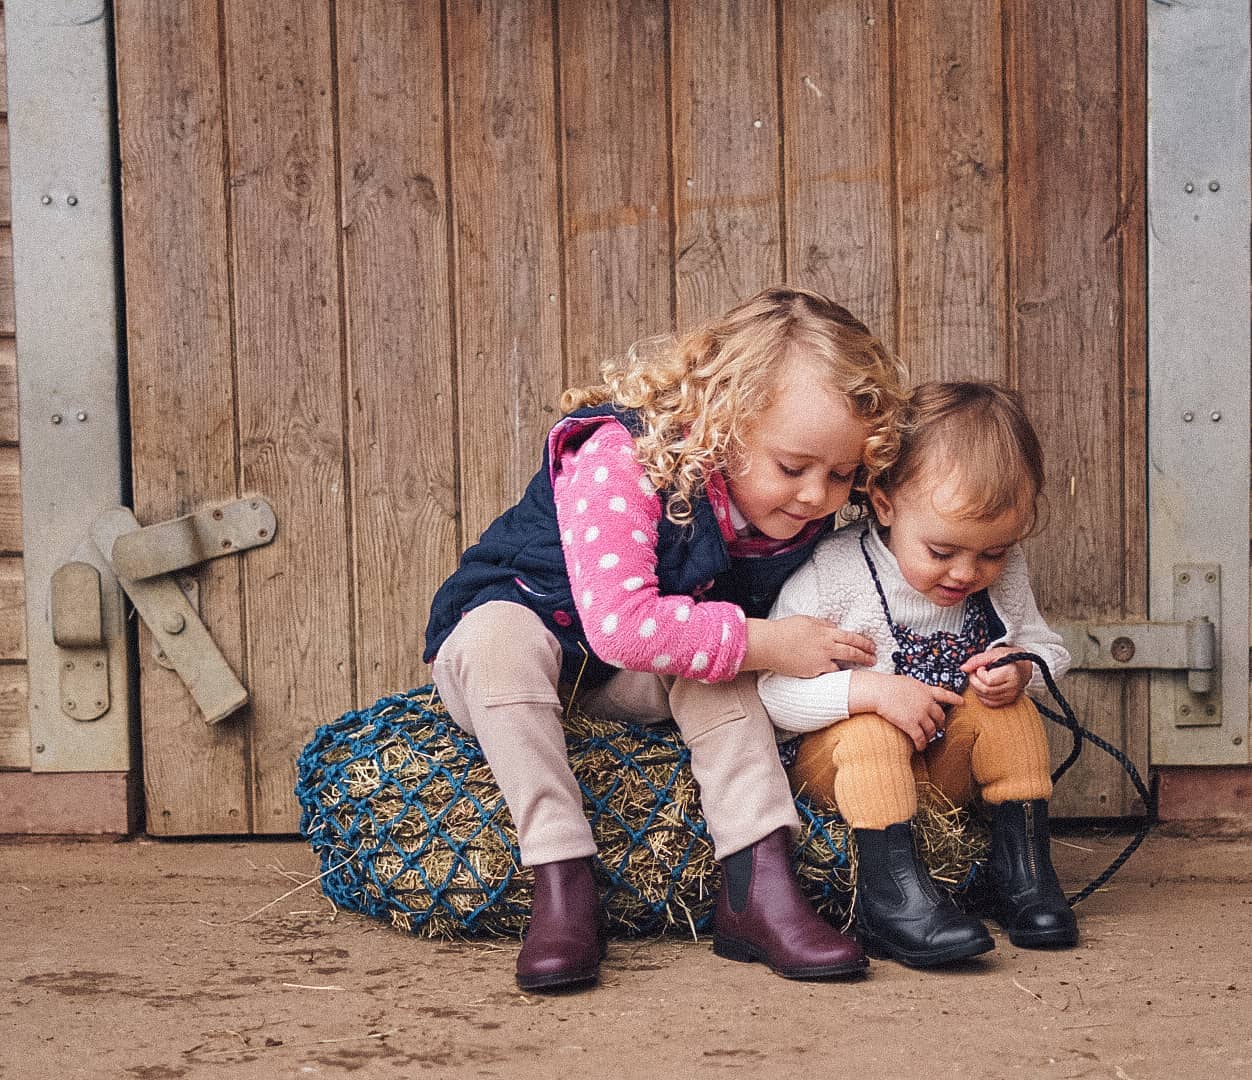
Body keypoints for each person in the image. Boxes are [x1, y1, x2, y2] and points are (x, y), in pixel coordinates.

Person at [424, 286, 908, 991]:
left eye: (842, 475)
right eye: (794, 467)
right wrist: (773, 643)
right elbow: (622, 625)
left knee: (721, 667)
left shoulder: (792, 513)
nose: (815, 496)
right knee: (502, 636)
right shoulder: (623, 457)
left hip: (619, 686)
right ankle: (562, 883)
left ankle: (757, 885)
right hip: (516, 655)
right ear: (723, 421)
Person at [759, 380, 1076, 969]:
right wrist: (869, 690)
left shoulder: (998, 573)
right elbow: (772, 694)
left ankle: (1024, 878)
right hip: (847, 783)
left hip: (938, 780)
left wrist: (1022, 667)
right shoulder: (835, 573)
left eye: (992, 553)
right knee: (872, 729)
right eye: (942, 551)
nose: (967, 572)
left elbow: (1047, 647)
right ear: (885, 504)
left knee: (1007, 712)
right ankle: (892, 899)